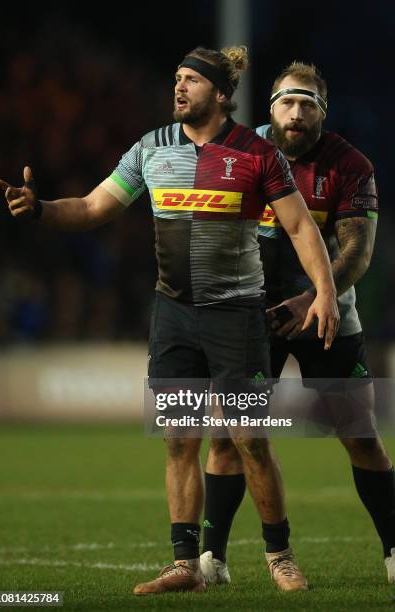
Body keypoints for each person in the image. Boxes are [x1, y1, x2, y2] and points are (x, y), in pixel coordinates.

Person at [0, 48, 339, 595]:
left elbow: (300, 228)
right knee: (180, 440)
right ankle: (185, 565)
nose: (179, 88)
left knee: (249, 439)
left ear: (221, 94)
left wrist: (323, 292)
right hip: (174, 317)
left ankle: (280, 555)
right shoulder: (150, 149)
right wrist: (41, 209)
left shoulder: (256, 153)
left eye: (191, 81)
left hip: (235, 318)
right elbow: (92, 208)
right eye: (176, 80)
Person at [200, 61, 395, 587]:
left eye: (308, 103)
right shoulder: (235, 153)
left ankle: (394, 549)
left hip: (326, 312)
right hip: (249, 318)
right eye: (287, 101)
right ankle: (211, 561)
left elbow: (359, 249)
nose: (297, 112)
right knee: (227, 436)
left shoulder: (350, 165)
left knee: (360, 434)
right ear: (270, 108)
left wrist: (314, 297)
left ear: (322, 114)